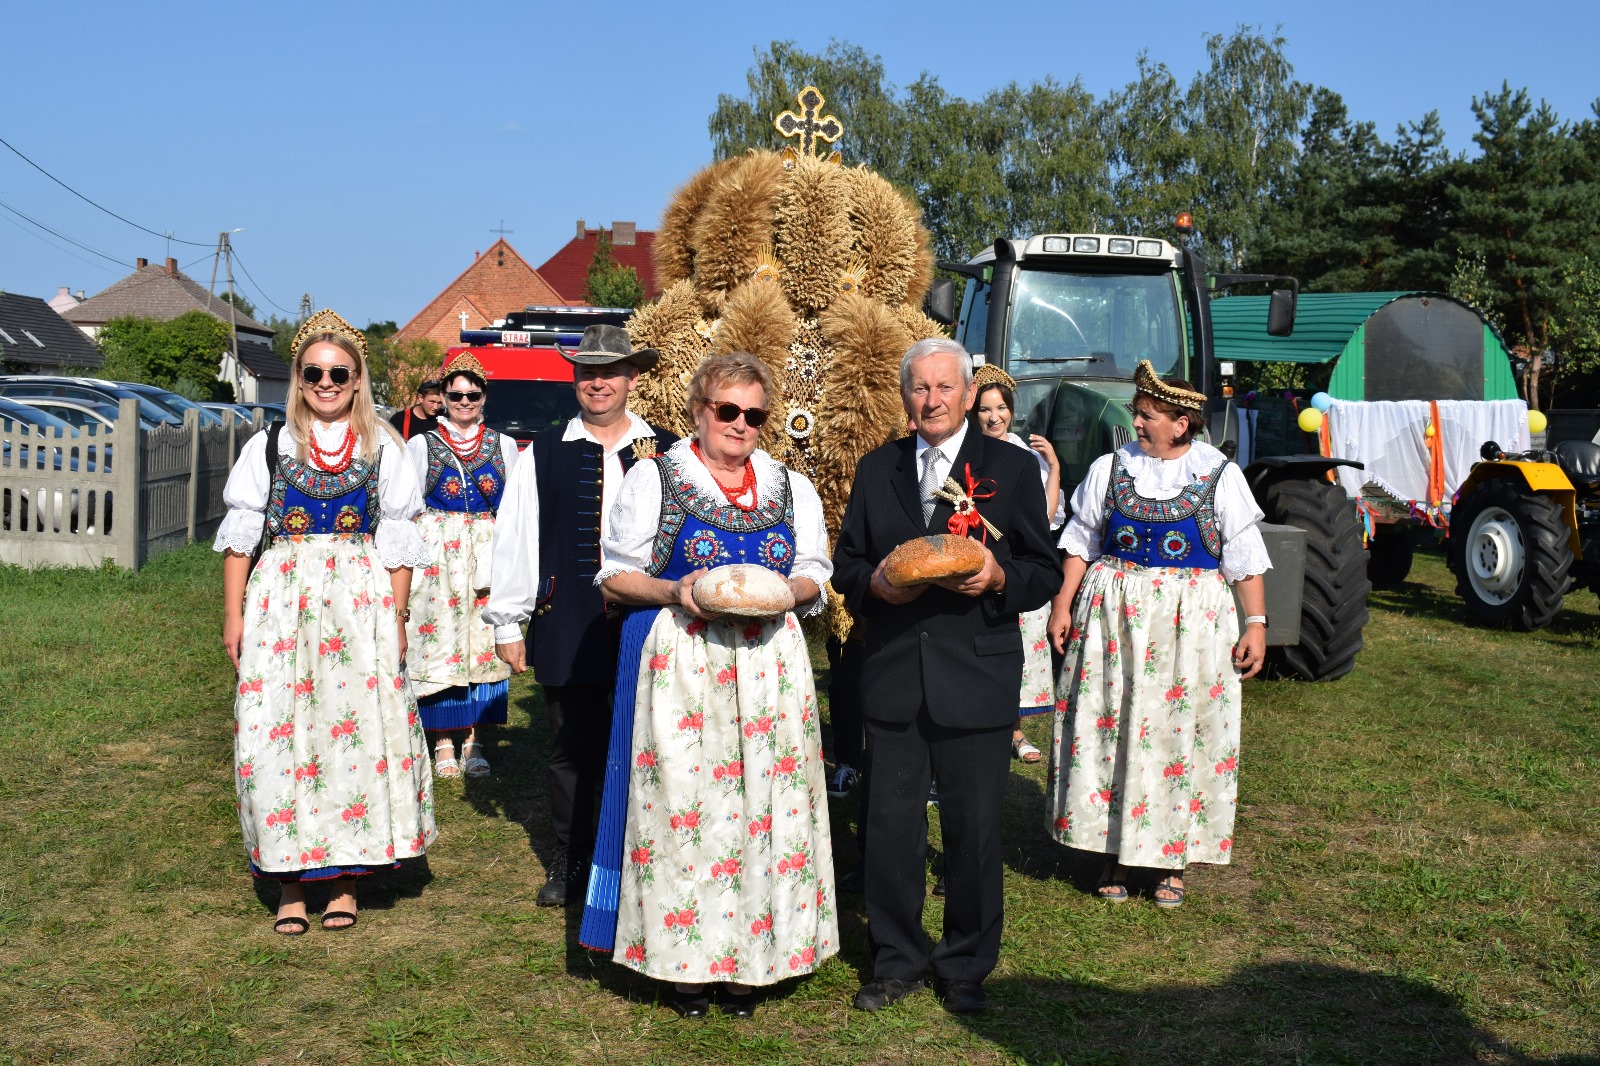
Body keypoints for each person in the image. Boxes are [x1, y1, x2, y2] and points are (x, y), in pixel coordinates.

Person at [579, 352, 837, 1019]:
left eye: (754, 414)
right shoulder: (655, 479)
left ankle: (751, 964)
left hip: (769, 670)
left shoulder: (790, 485)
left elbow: (814, 568)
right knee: (683, 810)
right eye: (727, 410)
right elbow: (614, 575)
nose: (740, 424)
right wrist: (674, 589)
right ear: (698, 410)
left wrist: (788, 590)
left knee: (764, 805)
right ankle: (685, 966)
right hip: (685, 667)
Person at [832, 337, 1061, 1015]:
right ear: (904, 397)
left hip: (977, 677)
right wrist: (872, 581)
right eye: (919, 389)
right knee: (890, 829)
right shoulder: (877, 470)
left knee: (974, 830)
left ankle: (965, 965)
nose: (931, 400)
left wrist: (998, 578)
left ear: (967, 394)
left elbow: (1042, 570)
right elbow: (845, 564)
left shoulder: (1010, 469)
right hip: (897, 676)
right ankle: (897, 959)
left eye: (943, 388)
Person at [215, 308, 437, 935]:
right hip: (282, 600)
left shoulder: (383, 448)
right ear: (297, 377)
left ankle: (344, 876)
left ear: (359, 378)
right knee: (277, 731)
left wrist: (395, 617)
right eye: (314, 371)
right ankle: (288, 878)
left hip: (358, 600)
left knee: (355, 732)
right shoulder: (269, 445)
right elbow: (240, 539)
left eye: (339, 372)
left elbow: (398, 539)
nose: (327, 381)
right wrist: (233, 616)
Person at [1045, 361, 1269, 908]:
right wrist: (1061, 603)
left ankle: (1171, 859)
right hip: (1112, 619)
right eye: (1138, 413)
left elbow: (1244, 559)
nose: (1137, 424)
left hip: (1188, 627)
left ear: (1181, 423)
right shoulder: (1111, 468)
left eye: (1147, 416)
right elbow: (1081, 538)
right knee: (1111, 725)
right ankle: (1112, 851)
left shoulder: (1219, 475)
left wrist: (1257, 624)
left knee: (1178, 733)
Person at [484, 324, 677, 906]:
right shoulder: (544, 448)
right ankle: (570, 861)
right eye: (587, 372)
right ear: (575, 378)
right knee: (572, 747)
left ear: (632, 379)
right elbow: (516, 535)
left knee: (649, 741)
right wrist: (508, 621)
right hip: (566, 615)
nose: (598, 382)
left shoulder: (669, 450)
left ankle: (641, 863)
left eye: (610, 372)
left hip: (649, 618)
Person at [406, 353, 519, 778]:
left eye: (473, 394)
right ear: (444, 397)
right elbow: (407, 504)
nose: (464, 402)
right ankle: (441, 741)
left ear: (484, 396)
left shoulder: (504, 445)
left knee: (483, 641)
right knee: (439, 639)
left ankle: (475, 740)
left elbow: (516, 506)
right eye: (456, 395)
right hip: (440, 554)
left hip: (488, 553)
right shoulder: (423, 445)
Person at [970, 364, 1064, 763]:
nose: (995, 416)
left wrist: (1055, 467)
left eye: (1001, 408)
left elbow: (1045, 518)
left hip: (1014, 567)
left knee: (1017, 653)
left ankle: (1014, 730)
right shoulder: (968, 453)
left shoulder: (1025, 455)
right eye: (985, 409)